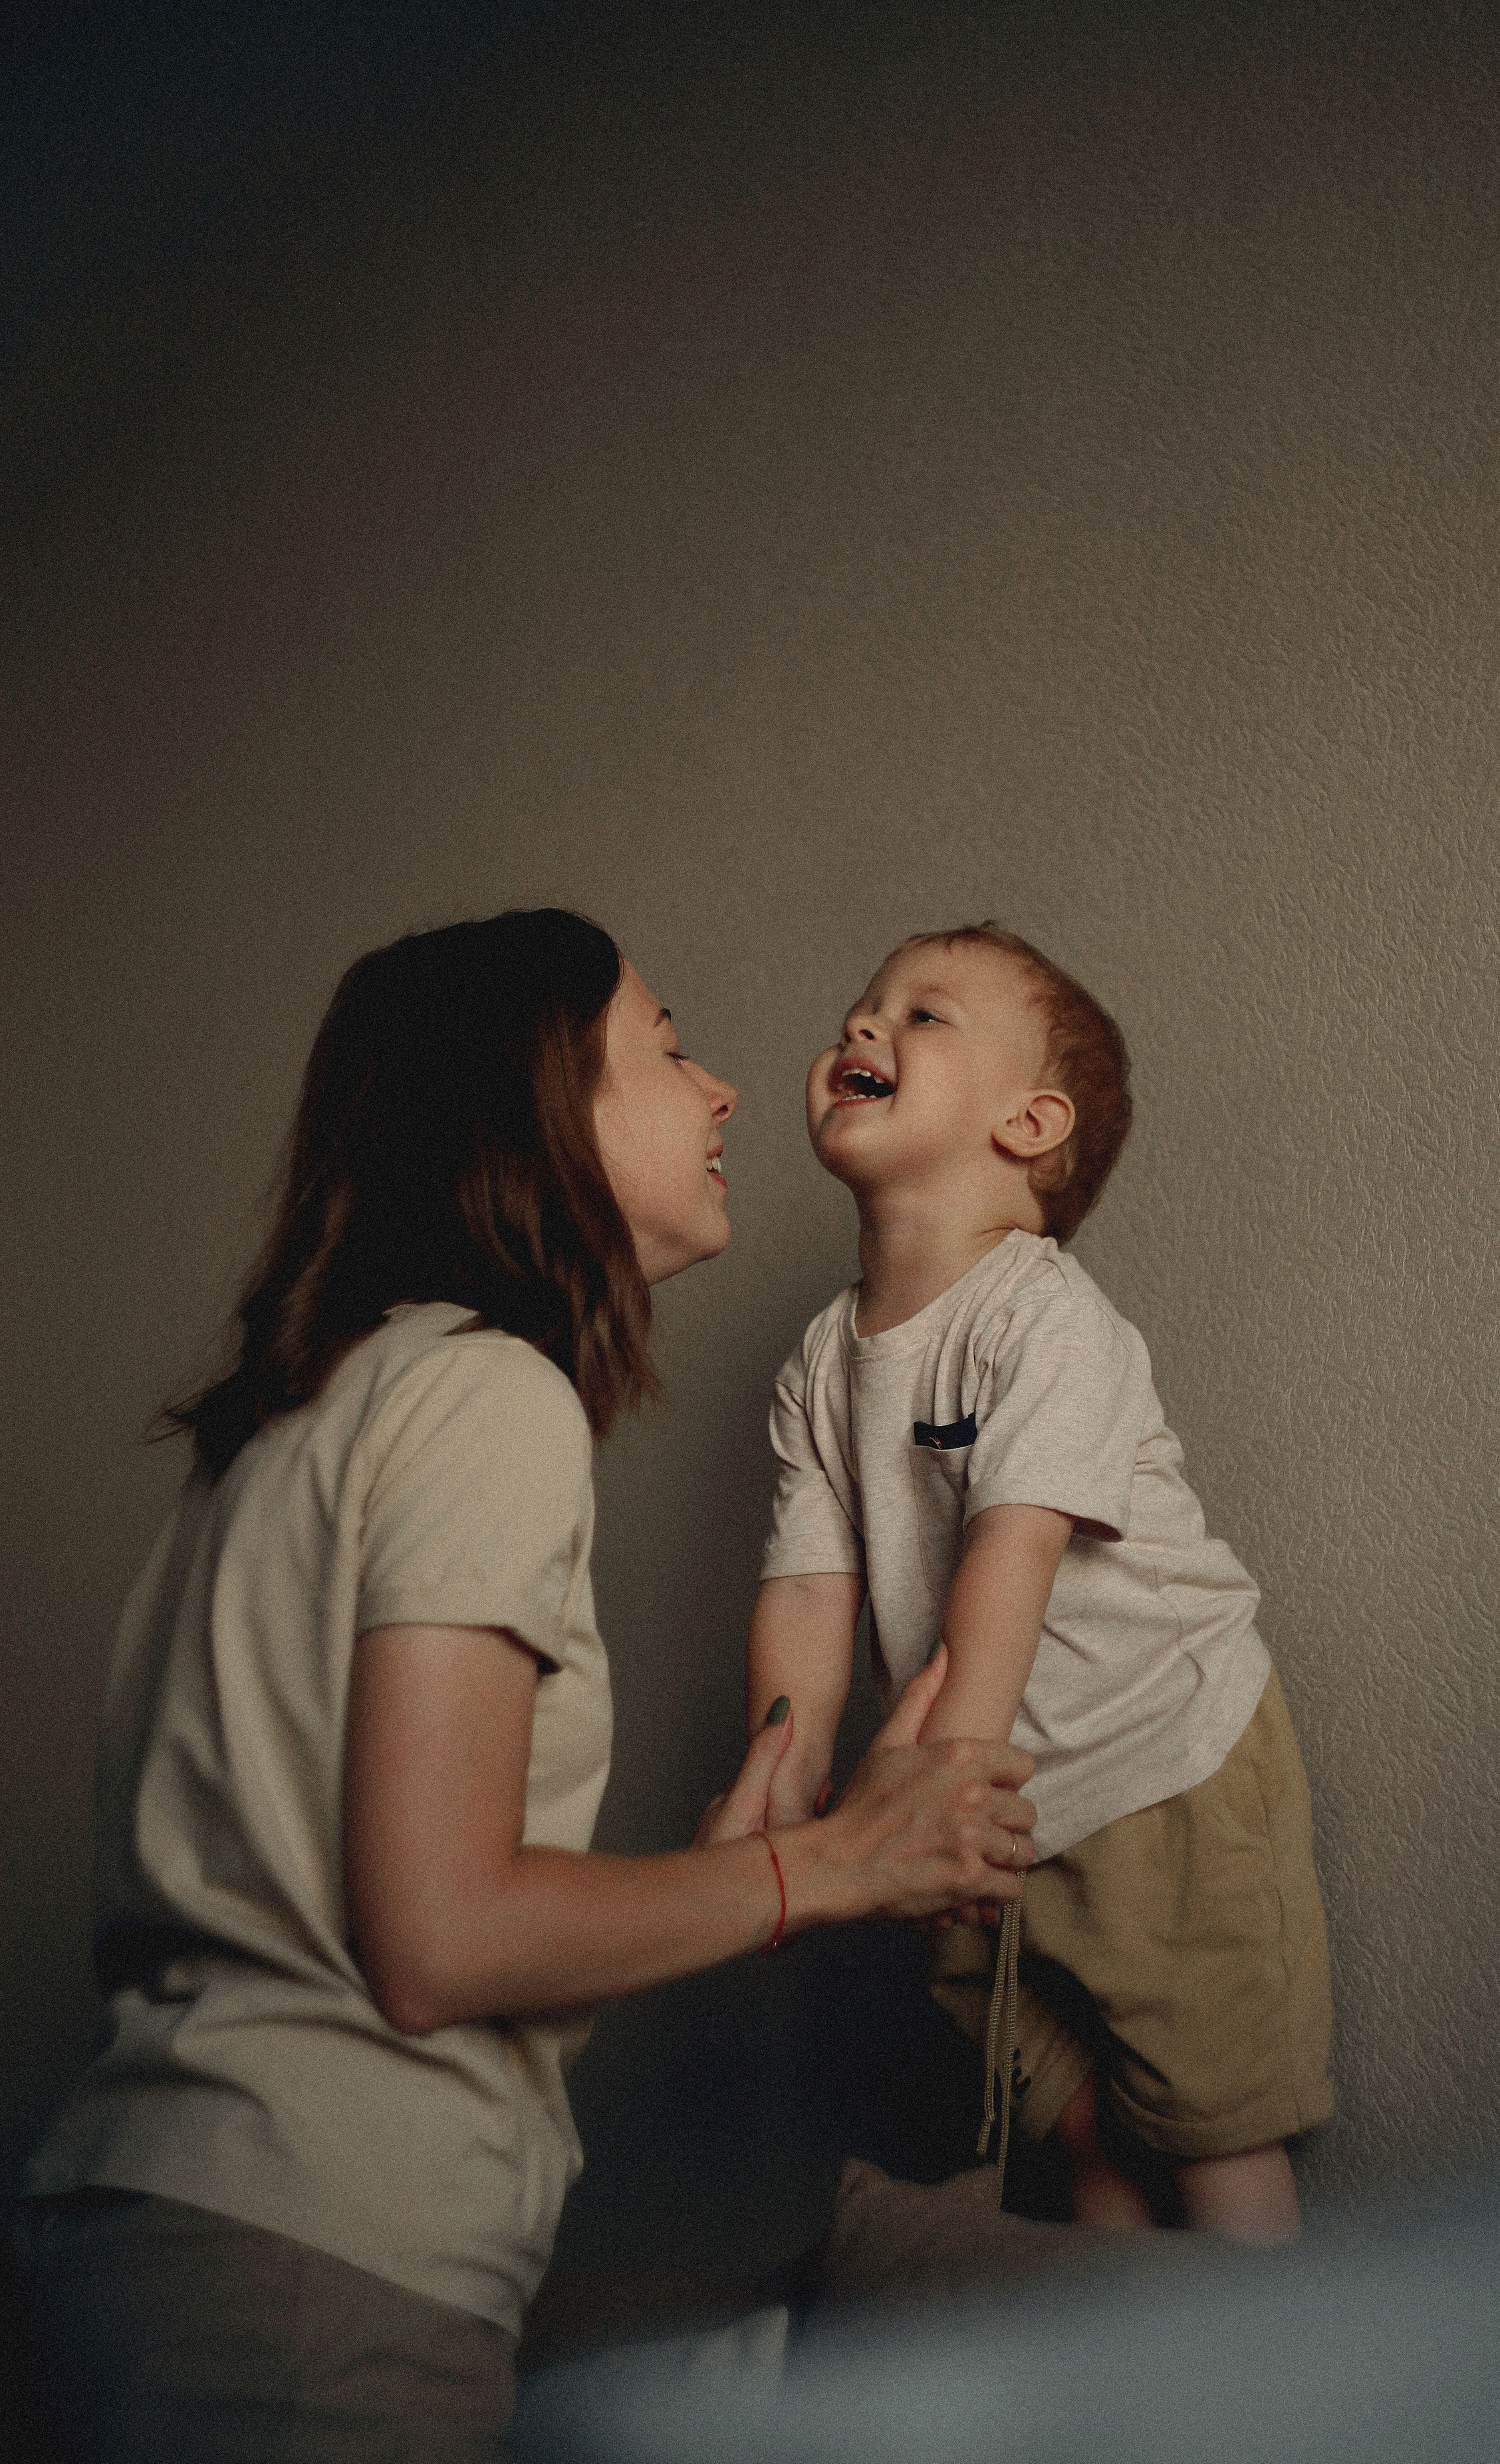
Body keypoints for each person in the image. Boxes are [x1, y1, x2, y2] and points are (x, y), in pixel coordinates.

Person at [15, 908, 1037, 2463]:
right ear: (544, 1105)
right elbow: (438, 1942)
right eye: (666, 1048)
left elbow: (368, 1913)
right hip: (311, 2280)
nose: (722, 1090)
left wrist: (725, 1883)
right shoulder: (486, 1396)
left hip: (146, 2228)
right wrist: (837, 1864)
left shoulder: (295, 1420)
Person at [746, 924, 1332, 2244]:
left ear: (1029, 1124)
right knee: (1071, 2133)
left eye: (922, 1014)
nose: (861, 1026)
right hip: (992, 1791)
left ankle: (1280, 2356)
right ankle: (1115, 2363)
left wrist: (943, 1783)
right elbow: (808, 1593)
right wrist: (779, 1778)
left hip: (1152, 1766)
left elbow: (1009, 1555)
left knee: (1212, 2128)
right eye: (861, 1005)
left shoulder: (1043, 1318)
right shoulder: (821, 1362)